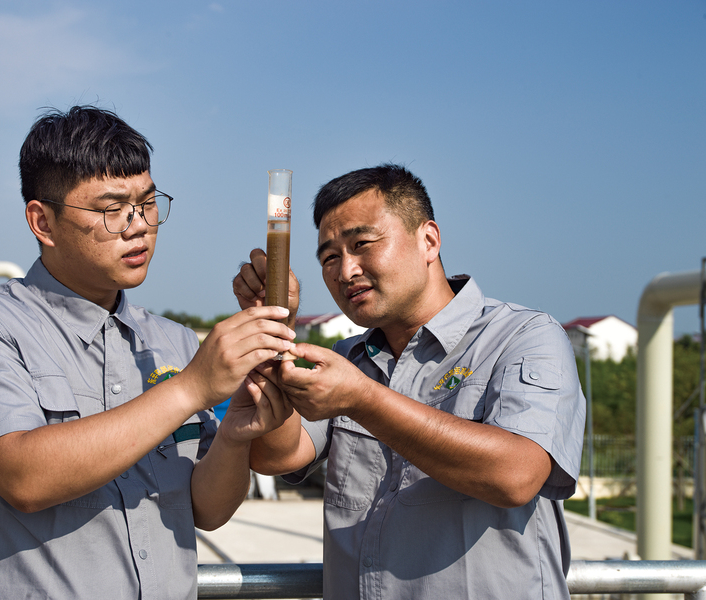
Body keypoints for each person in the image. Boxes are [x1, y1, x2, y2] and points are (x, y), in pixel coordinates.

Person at [0, 106, 295, 600]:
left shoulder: (174, 342)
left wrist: (233, 436)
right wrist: (190, 389)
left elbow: (207, 511)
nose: (138, 225)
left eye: (148, 202)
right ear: (43, 221)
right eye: (111, 209)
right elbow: (23, 478)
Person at [233, 163, 586, 599]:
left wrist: (364, 400)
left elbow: (516, 475)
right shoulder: (348, 360)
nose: (345, 271)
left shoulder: (521, 337)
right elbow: (277, 455)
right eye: (329, 257)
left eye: (362, 244)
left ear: (428, 240)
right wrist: (275, 335)